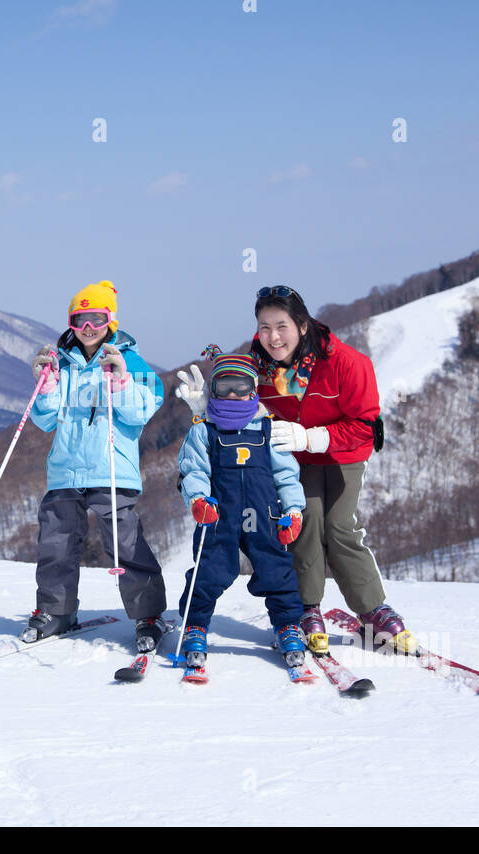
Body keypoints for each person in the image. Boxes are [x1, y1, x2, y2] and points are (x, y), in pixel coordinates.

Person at [242, 285, 416, 655]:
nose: (272, 337)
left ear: (303, 325)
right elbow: (238, 404)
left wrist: (310, 437)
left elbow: (364, 426)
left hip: (343, 453)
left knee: (339, 526)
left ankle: (373, 609)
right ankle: (307, 607)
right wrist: (207, 405)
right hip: (295, 459)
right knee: (304, 521)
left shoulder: (345, 362)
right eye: (264, 327)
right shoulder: (257, 367)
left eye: (281, 326)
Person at [24, 280, 167, 651]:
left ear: (111, 321)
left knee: (124, 543)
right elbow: (45, 421)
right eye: (79, 321)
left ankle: (148, 614)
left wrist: (121, 380)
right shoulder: (63, 361)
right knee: (55, 542)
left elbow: (143, 411)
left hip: (110, 469)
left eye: (96, 319)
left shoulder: (129, 359)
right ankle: (56, 610)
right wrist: (49, 385)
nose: (88, 329)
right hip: (66, 469)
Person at [175, 350, 307, 674]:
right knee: (210, 570)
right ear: (213, 390)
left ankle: (288, 625)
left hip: (265, 515)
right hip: (219, 516)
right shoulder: (204, 430)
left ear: (254, 389)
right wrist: (198, 500)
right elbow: (193, 471)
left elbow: (286, 475)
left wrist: (293, 511)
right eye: (224, 387)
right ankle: (195, 625)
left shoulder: (268, 430)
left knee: (277, 570)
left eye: (240, 386)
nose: (233, 395)